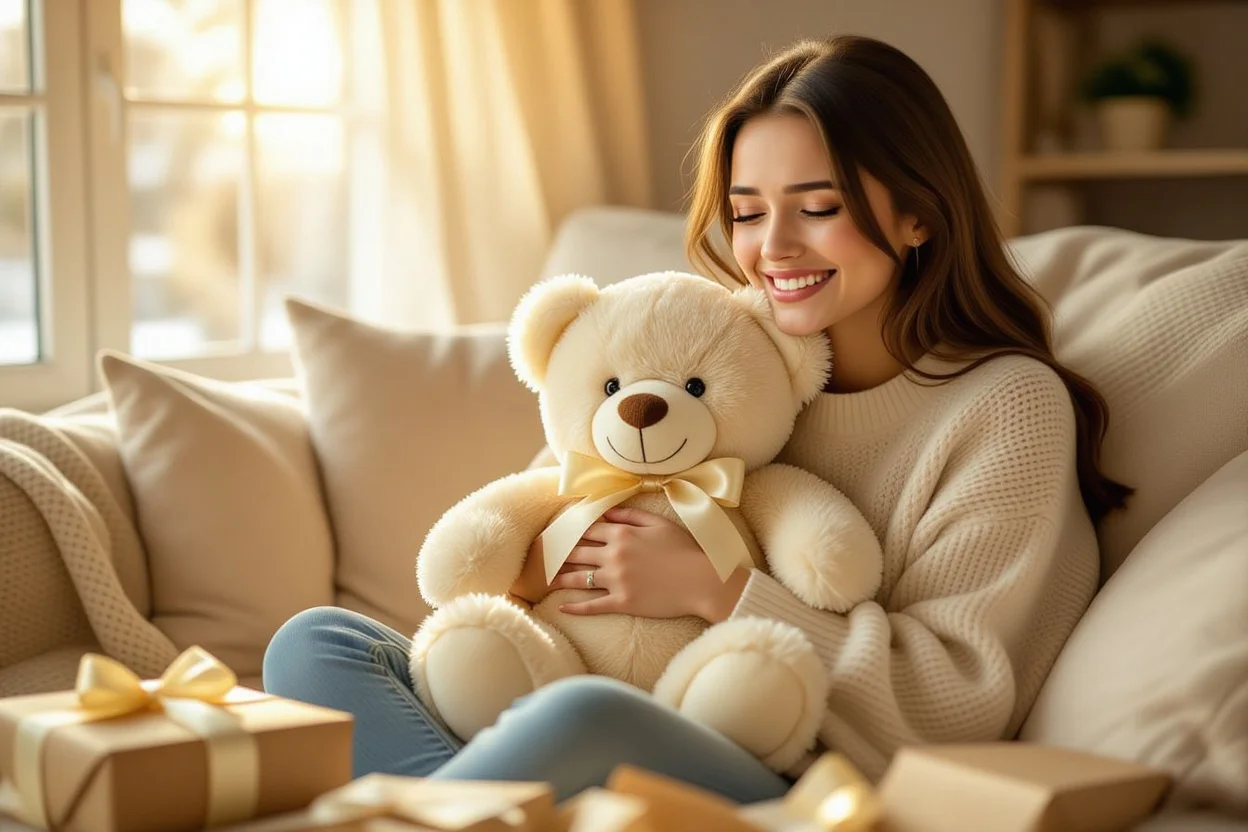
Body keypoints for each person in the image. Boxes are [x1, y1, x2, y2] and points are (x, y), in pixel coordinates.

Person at [262, 35, 1130, 804]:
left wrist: (715, 589)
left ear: (916, 216)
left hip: (800, 767)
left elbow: (954, 700)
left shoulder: (1005, 406)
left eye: (818, 208)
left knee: (582, 717)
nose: (772, 247)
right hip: (589, 697)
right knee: (319, 645)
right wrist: (540, 563)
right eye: (748, 212)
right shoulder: (721, 362)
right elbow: (560, 507)